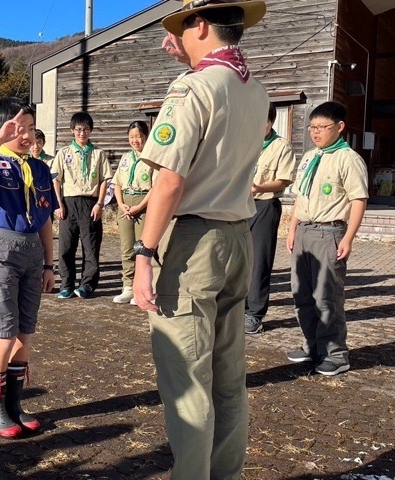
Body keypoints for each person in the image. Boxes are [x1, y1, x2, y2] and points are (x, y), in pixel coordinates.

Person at [131, 1, 268, 479]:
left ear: (201, 24)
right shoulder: (256, 89)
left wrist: (144, 252)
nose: (179, 39)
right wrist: (192, 63)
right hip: (237, 235)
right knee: (228, 378)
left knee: (187, 381)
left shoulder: (192, 87)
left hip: (195, 242)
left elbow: (169, 181)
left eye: (183, 29)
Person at [0, 97, 57, 439]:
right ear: (1, 130)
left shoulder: (40, 168)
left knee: (24, 333)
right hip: (2, 246)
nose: (27, 135)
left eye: (31, 128)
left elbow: (46, 220)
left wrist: (49, 264)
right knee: (4, 332)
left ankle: (14, 404)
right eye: (20, 129)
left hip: (33, 249)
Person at [286, 101, 368, 376]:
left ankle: (336, 353)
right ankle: (313, 345)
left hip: (329, 232)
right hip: (305, 232)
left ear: (340, 127)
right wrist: (292, 227)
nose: (316, 133)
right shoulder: (310, 156)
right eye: (312, 128)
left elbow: (358, 200)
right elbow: (301, 195)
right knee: (302, 294)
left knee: (327, 297)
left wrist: (349, 237)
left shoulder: (348, 159)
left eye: (323, 127)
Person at [245, 103, 296, 334]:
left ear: (271, 122)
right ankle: (237, 307)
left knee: (259, 263)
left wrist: (258, 187)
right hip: (239, 206)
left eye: (262, 121)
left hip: (264, 205)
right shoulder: (244, 142)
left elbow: (283, 181)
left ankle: (255, 314)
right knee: (238, 259)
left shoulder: (280, 146)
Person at [51, 112, 112, 299]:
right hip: (68, 203)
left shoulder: (98, 154)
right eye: (78, 130)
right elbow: (56, 180)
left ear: (91, 131)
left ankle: (87, 284)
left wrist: (100, 204)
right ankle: (66, 283)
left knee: (91, 246)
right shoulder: (63, 153)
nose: (82, 133)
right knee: (66, 247)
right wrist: (58, 203)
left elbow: (104, 181)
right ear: (72, 131)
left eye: (86, 129)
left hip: (90, 203)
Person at [111, 121, 154, 304]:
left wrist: (140, 206)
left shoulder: (153, 157)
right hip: (126, 204)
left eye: (138, 136)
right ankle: (128, 286)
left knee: (142, 248)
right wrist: (121, 204)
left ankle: (142, 288)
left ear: (146, 136)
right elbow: (117, 183)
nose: (135, 140)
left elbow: (155, 187)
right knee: (126, 247)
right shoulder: (126, 158)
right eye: (131, 137)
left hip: (143, 202)